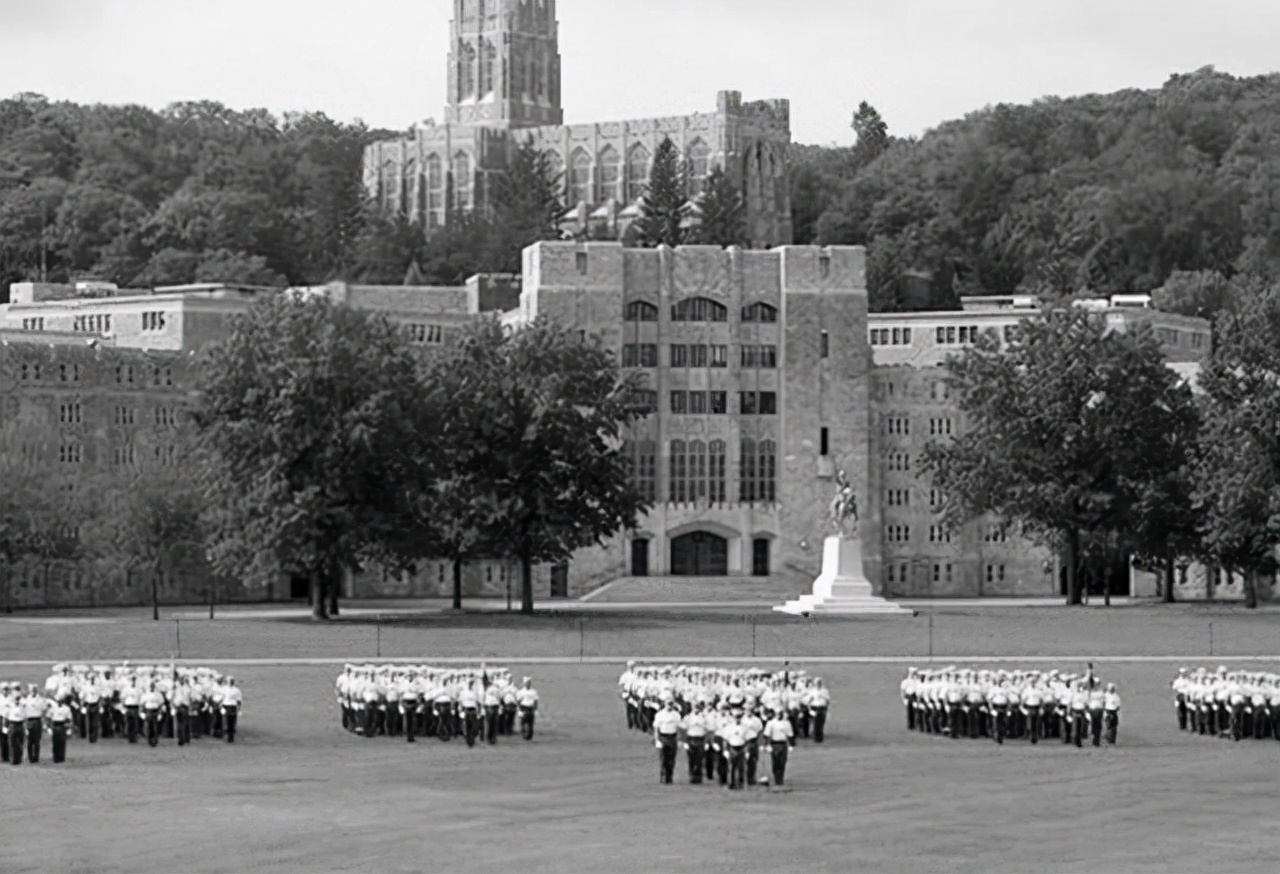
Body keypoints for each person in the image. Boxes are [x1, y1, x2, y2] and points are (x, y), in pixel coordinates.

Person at [762, 708, 795, 786]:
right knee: (776, 762)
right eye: (777, 714)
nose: (779, 715)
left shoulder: (787, 723)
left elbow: (790, 734)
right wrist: (767, 745)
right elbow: (767, 735)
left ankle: (781, 778)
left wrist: (790, 745)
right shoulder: (771, 723)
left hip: (783, 743)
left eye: (780, 713)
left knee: (783, 761)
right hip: (775, 743)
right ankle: (777, 778)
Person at [652, 700, 681, 784]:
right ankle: (663, 776)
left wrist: (679, 740)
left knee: (672, 758)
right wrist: (657, 740)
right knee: (663, 758)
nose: (669, 706)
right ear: (664, 704)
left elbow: (678, 728)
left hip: (672, 737)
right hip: (663, 737)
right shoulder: (660, 715)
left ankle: (670, 776)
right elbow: (656, 729)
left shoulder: (676, 715)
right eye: (668, 704)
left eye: (671, 704)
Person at [680, 700, 708, 784]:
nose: (696, 709)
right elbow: (683, 730)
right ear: (692, 708)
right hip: (691, 739)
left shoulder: (704, 718)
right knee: (691, 759)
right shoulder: (687, 717)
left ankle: (699, 777)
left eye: (698, 708)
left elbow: (707, 730)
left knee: (699, 759)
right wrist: (685, 742)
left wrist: (706, 742)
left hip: (700, 739)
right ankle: (692, 776)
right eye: (695, 707)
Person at [23, 686, 46, 764]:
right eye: (32, 690)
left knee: (36, 741)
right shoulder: (26, 700)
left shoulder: (40, 699)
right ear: (30, 691)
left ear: (36, 691)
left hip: (37, 720)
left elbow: (43, 710)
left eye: (34, 690)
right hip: (29, 720)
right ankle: (30, 758)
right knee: (29, 741)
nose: (33, 692)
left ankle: (36, 757)